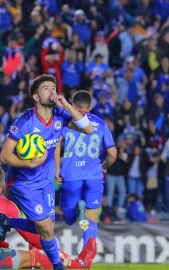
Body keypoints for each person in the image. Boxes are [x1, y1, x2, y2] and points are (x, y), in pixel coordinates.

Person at [0, 74, 92, 270]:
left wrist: (66, 105)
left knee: (44, 230)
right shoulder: (25, 121)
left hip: (46, 183)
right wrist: (30, 164)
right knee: (47, 229)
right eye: (46, 88)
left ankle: (7, 222)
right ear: (35, 96)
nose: (52, 92)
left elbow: (88, 129)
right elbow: (5, 156)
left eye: (53, 87)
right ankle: (58, 266)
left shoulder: (60, 116)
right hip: (24, 184)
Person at [0, 166, 96, 269]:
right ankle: (78, 266)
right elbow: (33, 238)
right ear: (4, 186)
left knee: (7, 253)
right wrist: (61, 256)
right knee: (36, 258)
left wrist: (0, 244)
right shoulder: (6, 205)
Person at [54, 90, 117, 247]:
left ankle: (77, 209)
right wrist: (104, 167)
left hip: (71, 175)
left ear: (73, 105)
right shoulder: (101, 123)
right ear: (91, 105)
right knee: (92, 220)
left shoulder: (67, 121)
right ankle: (85, 260)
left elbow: (55, 144)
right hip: (94, 177)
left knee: (69, 220)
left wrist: (56, 168)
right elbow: (112, 153)